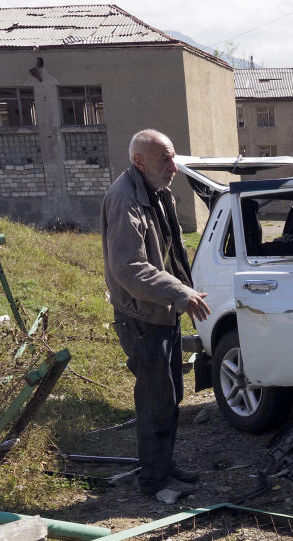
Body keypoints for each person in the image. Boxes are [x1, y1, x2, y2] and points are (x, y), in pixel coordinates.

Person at [101, 129, 211, 498]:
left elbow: (172, 252)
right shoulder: (124, 200)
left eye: (173, 157)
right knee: (154, 398)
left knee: (171, 393)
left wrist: (187, 293)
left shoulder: (157, 192)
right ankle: (153, 480)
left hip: (162, 312)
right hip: (141, 318)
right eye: (165, 159)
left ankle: (163, 466)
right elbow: (129, 269)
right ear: (139, 161)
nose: (174, 167)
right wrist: (180, 293)